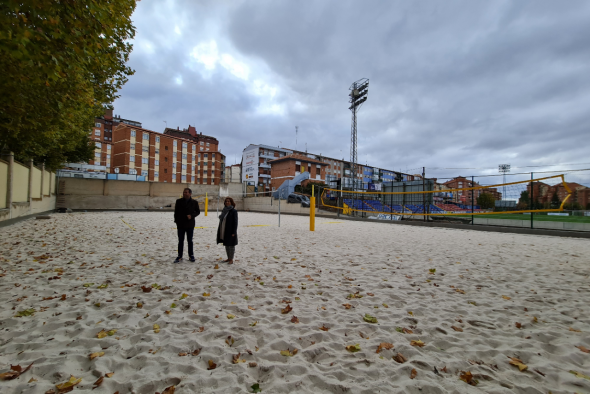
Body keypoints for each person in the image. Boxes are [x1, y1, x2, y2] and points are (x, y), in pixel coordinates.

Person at [173, 188, 200, 263]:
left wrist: (191, 216)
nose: (185, 193)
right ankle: (179, 256)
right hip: (180, 224)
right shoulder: (178, 201)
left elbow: (198, 211)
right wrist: (176, 221)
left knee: (190, 241)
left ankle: (191, 255)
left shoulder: (194, 202)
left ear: (190, 194)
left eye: (186, 192)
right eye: (184, 192)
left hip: (190, 224)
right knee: (180, 241)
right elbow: (176, 212)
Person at [217, 196, 238, 264]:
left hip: (231, 230)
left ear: (231, 203)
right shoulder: (224, 210)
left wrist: (233, 232)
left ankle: (231, 259)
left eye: (228, 201)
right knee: (226, 244)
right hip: (224, 229)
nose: (227, 202)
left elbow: (235, 222)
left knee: (231, 245)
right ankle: (228, 258)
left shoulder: (234, 211)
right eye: (226, 201)